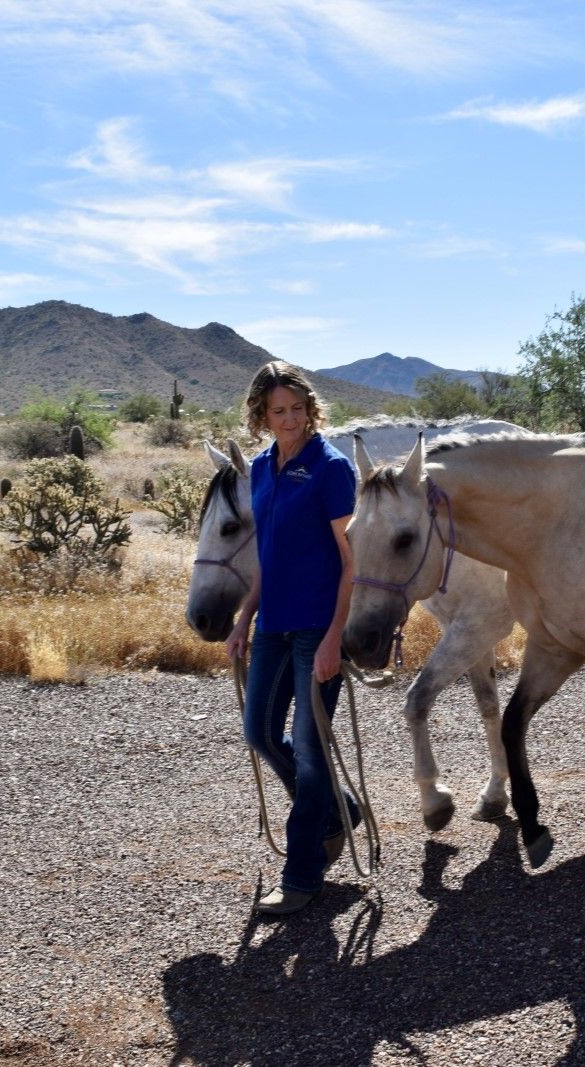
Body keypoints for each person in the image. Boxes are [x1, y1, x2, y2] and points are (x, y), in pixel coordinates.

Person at [223, 361, 360, 917]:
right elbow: (267, 557)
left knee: (308, 751)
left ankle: (302, 877)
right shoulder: (260, 469)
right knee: (259, 733)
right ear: (261, 414)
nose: (289, 420)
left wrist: (334, 638)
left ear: (311, 409)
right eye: (277, 411)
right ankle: (336, 809)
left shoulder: (332, 469)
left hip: (317, 628)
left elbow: (353, 563)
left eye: (297, 410)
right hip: (273, 623)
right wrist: (243, 617)